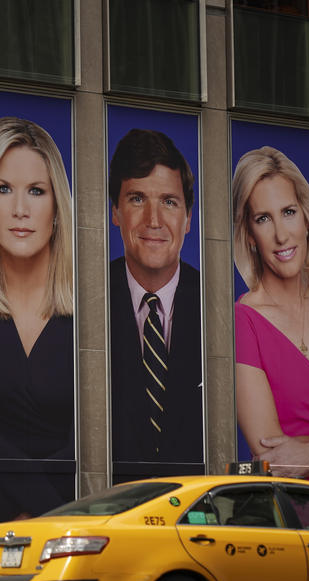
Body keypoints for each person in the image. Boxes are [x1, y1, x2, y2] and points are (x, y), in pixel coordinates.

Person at [0, 117, 74, 463]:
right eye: (3, 189)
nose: (20, 210)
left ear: (57, 206)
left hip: (72, 509)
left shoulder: (93, 311)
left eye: (36, 191)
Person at [108, 128, 203, 468]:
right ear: (115, 212)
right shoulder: (86, 297)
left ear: (188, 218)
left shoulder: (214, 304)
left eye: (169, 202)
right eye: (137, 199)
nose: (154, 220)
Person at [231, 146, 309, 480]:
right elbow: (276, 459)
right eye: (263, 219)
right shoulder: (244, 321)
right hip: (299, 516)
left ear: (307, 219)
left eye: (288, 212)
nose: (282, 235)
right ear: (250, 236)